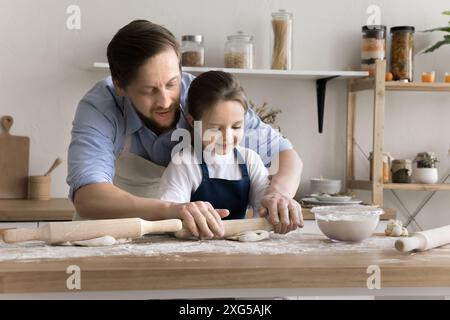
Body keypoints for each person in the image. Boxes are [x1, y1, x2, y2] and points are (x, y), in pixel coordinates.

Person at [67, 19, 304, 237]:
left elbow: (285, 155)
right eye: (149, 90)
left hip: (175, 237)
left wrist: (278, 195)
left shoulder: (203, 96)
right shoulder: (100, 107)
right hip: (109, 233)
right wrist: (171, 208)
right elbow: (89, 197)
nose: (165, 101)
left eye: (172, 84)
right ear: (121, 86)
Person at [160, 71, 279, 238]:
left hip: (240, 252)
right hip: (194, 251)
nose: (227, 137)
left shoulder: (250, 160)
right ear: (193, 122)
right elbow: (170, 219)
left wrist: (277, 208)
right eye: (216, 128)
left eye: (236, 127)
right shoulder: (185, 163)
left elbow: (265, 208)